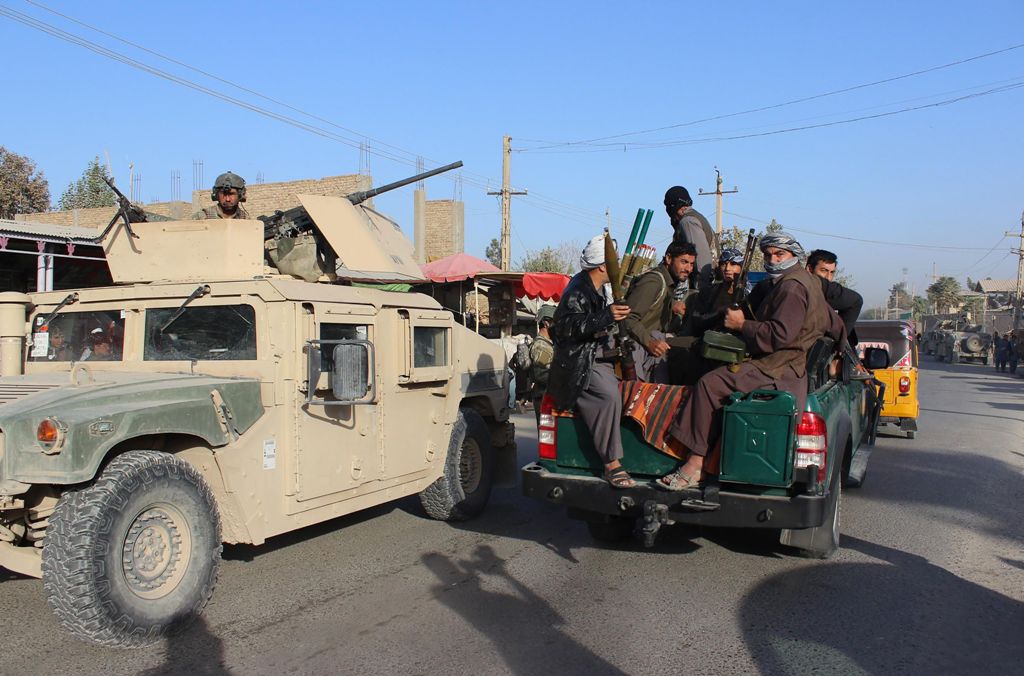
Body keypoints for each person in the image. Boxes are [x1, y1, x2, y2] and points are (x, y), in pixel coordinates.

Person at [657, 232, 844, 490]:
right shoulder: (808, 281)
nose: (773, 260)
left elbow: (779, 335)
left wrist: (741, 324)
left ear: (794, 256)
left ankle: (696, 462)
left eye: (779, 254)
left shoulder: (791, 287)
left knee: (710, 384)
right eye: (768, 255)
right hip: (785, 365)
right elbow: (836, 323)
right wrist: (842, 351)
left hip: (777, 369)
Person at [547, 235, 633, 488]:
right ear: (603, 266)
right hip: (579, 361)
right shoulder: (577, 291)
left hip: (597, 352)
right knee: (608, 395)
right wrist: (606, 316)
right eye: (614, 261)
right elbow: (566, 328)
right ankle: (611, 463)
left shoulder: (599, 288)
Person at [750, 247, 863, 345]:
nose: (828, 277)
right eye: (824, 271)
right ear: (809, 269)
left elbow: (855, 301)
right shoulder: (783, 286)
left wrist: (834, 345)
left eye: (832, 272)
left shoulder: (827, 289)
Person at [622, 241, 696, 382]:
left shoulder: (668, 283)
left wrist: (672, 305)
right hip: (638, 345)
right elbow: (628, 317)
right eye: (684, 262)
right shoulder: (654, 281)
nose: (688, 269)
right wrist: (649, 342)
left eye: (691, 264)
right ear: (668, 258)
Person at [664, 186, 715, 289]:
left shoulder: (688, 222)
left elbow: (701, 261)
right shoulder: (694, 217)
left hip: (702, 285)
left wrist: (700, 290)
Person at [529, 305, 556, 424]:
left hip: (549, 397)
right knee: (546, 432)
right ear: (546, 323)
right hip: (544, 399)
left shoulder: (549, 344)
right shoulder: (541, 346)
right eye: (556, 322)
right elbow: (541, 374)